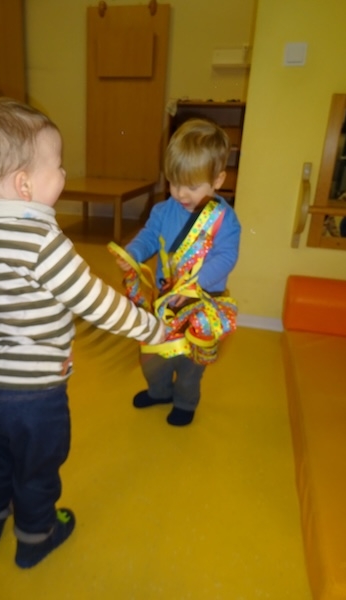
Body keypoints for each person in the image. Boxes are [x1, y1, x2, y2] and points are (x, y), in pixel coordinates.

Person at [0, 97, 165, 569]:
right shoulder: (43, 241)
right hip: (34, 399)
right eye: (58, 165)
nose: (63, 173)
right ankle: (36, 537)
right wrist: (152, 329)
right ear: (24, 184)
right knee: (36, 471)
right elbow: (95, 302)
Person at [114, 118, 241, 427]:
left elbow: (226, 257)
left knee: (190, 362)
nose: (181, 193)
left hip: (202, 302)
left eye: (192, 186)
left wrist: (192, 285)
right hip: (165, 301)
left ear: (218, 180)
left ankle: (185, 401)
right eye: (173, 183)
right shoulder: (162, 210)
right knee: (153, 354)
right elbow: (148, 237)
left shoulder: (224, 219)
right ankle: (159, 391)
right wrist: (133, 253)